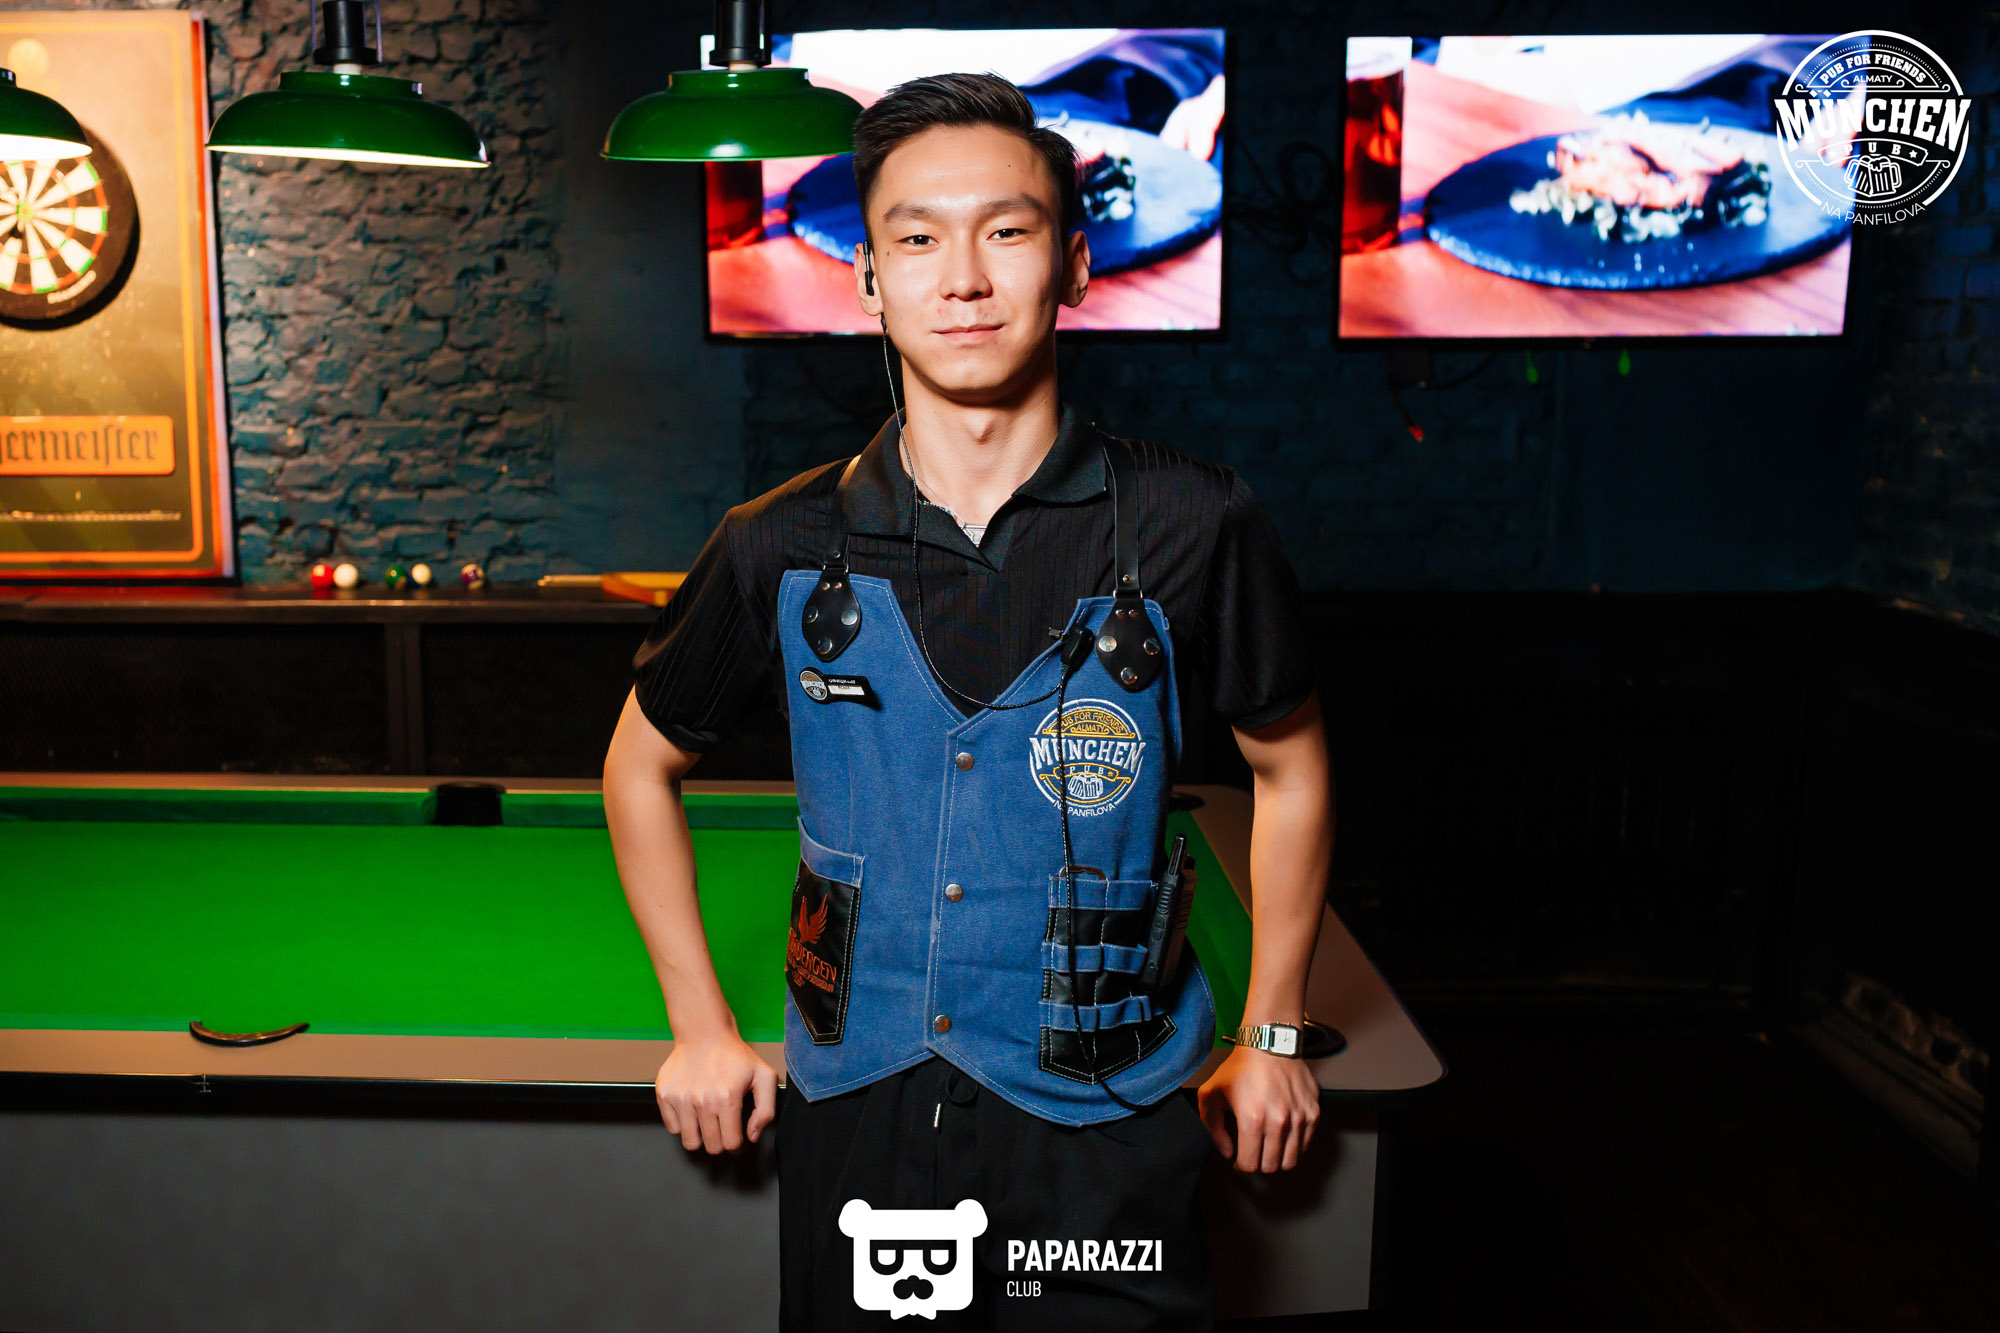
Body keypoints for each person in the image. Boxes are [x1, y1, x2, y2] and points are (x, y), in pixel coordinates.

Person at [602, 71, 1334, 1331]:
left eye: (1005, 231)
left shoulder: (1193, 522)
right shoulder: (778, 541)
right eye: (916, 240)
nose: (963, 279)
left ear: (1075, 264)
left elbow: (1292, 766)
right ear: (867, 280)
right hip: (861, 1102)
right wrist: (697, 1024)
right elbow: (637, 765)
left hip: (1106, 1117)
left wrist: (1270, 1032)